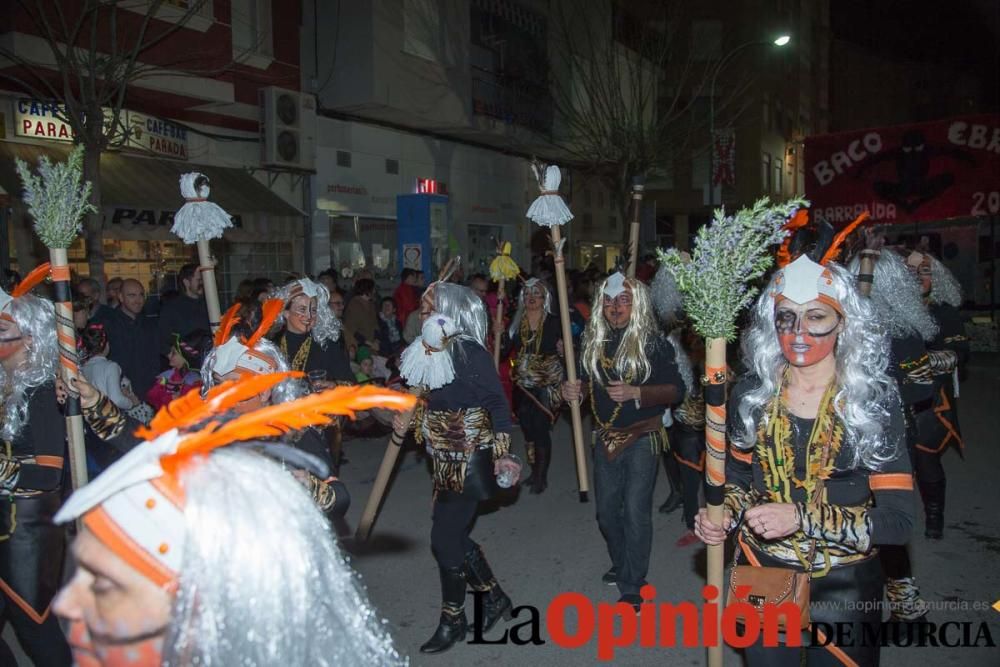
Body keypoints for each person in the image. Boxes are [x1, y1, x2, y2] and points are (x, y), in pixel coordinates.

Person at [52, 372, 412, 666]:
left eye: (244, 384)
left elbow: (339, 499)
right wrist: (94, 402)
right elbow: (142, 445)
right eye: (225, 383)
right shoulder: (204, 433)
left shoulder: (295, 435)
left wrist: (297, 484)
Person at [694, 242, 915, 666]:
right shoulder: (752, 394)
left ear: (843, 323)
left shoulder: (874, 404)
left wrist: (799, 517)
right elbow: (737, 480)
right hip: (766, 568)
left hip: (844, 583)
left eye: (816, 317)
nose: (798, 333)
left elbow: (898, 523)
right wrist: (722, 514)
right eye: (786, 318)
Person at [396, 281, 520, 654]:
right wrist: (409, 414)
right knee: (450, 535)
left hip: (469, 460)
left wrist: (503, 454)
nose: (423, 310)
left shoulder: (467, 351)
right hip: (442, 460)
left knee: (443, 539)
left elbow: (497, 407)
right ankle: (494, 597)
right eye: (422, 305)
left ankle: (453, 619)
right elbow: (433, 401)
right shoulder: (428, 349)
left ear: (450, 312)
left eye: (430, 305)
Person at [562, 272, 685, 610]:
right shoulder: (593, 342)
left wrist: (637, 392)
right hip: (605, 437)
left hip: (644, 436)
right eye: (609, 300)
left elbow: (678, 389)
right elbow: (582, 381)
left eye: (624, 300)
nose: (615, 307)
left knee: (635, 511)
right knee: (606, 514)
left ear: (637, 304)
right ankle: (622, 562)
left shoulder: (654, 343)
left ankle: (633, 581)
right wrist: (570, 389)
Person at [848, 242, 938, 621]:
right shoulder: (846, 328)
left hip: (888, 441)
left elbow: (922, 389)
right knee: (846, 517)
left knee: (887, 520)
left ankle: (904, 599)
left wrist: (883, 391)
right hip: (847, 437)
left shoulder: (902, 335)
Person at [0, 265, 72, 665]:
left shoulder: (43, 392)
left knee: (35, 628)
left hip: (27, 533)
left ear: (28, 338)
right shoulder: (3, 386)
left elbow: (48, 474)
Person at [905, 250, 969, 540]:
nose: (919, 277)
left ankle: (934, 517)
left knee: (926, 459)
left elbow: (958, 354)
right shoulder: (895, 312)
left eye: (925, 271)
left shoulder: (944, 311)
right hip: (895, 400)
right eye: (912, 271)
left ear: (937, 277)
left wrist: (914, 362)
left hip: (931, 401)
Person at [505, 278, 563, 494]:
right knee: (527, 429)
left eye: (536, 293)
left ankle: (541, 476)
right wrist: (500, 332)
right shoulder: (515, 321)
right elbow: (503, 352)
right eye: (527, 293)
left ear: (544, 298)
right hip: (522, 384)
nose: (531, 297)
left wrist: (566, 345)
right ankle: (533, 471)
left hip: (546, 383)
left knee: (540, 428)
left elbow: (576, 339)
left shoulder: (556, 321)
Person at [272, 278, 354, 384]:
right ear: (286, 313)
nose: (309, 316)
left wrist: (334, 385)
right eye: (302, 309)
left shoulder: (325, 346)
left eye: (313, 310)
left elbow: (351, 383)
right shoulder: (273, 346)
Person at [103, 278, 161, 400]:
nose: (138, 300)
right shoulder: (108, 325)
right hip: (122, 394)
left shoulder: (151, 325)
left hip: (151, 394)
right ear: (121, 297)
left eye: (141, 295)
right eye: (132, 295)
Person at [80, 323, 139, 411]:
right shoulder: (111, 367)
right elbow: (116, 399)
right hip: (109, 417)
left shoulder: (82, 368)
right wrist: (131, 403)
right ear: (106, 345)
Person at [146, 329, 210, 410]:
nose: (168, 355)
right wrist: (170, 399)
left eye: (173, 353)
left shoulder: (196, 383)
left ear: (186, 358)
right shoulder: (169, 375)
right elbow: (152, 395)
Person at [157, 262, 210, 354]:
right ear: (186, 282)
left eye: (203, 280)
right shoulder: (171, 308)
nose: (202, 283)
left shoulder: (209, 304)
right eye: (199, 280)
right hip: (186, 364)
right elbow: (163, 340)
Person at [344, 278, 380, 355]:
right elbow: (352, 330)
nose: (374, 291)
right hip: (359, 346)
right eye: (373, 289)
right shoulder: (354, 305)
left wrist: (376, 341)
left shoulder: (371, 304)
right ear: (367, 290)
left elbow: (375, 325)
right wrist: (369, 343)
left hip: (372, 345)